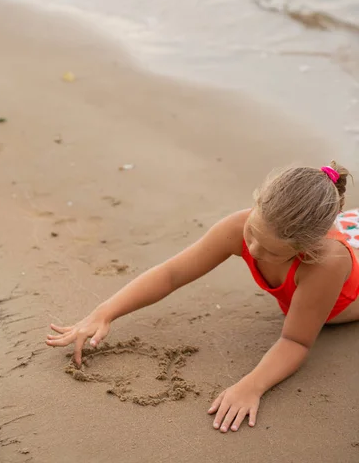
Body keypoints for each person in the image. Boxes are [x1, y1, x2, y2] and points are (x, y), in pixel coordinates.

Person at [46, 162, 359, 433]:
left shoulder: (324, 263)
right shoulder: (243, 224)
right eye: (252, 234)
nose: (252, 250)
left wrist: (251, 386)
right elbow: (172, 274)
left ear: (306, 247)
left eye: (272, 251)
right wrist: (105, 311)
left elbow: (296, 341)